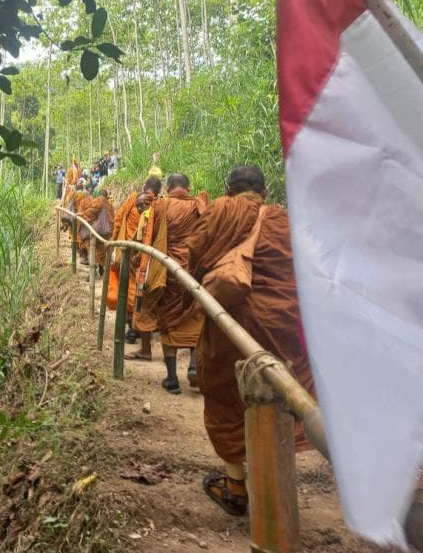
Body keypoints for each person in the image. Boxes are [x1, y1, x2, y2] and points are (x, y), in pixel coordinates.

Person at [185, 165, 315, 517]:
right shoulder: (286, 221)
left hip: (234, 322)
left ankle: (236, 486)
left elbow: (194, 254)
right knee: (282, 394)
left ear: (228, 190)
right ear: (266, 192)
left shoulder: (223, 210)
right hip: (283, 323)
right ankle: (274, 487)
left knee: (226, 396)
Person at [136, 173, 208, 392]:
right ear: (189, 187)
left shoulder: (161, 206)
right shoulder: (199, 206)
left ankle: (172, 379)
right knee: (196, 318)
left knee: (168, 321)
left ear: (168, 188)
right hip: (194, 272)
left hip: (168, 271)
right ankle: (194, 366)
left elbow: (150, 237)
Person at [107, 177, 162, 347]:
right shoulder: (160, 205)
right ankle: (145, 328)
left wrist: (113, 242)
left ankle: (132, 328)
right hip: (151, 256)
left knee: (129, 288)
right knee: (145, 290)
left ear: (144, 187)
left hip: (129, 252)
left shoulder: (133, 199)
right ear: (159, 192)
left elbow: (118, 219)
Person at [79, 189, 115, 276]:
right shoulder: (109, 205)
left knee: (91, 247)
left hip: (97, 231)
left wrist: (82, 215)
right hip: (107, 232)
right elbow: (113, 219)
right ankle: (101, 267)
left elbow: (91, 211)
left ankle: (93, 271)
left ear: (99, 195)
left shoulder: (98, 201)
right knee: (102, 250)